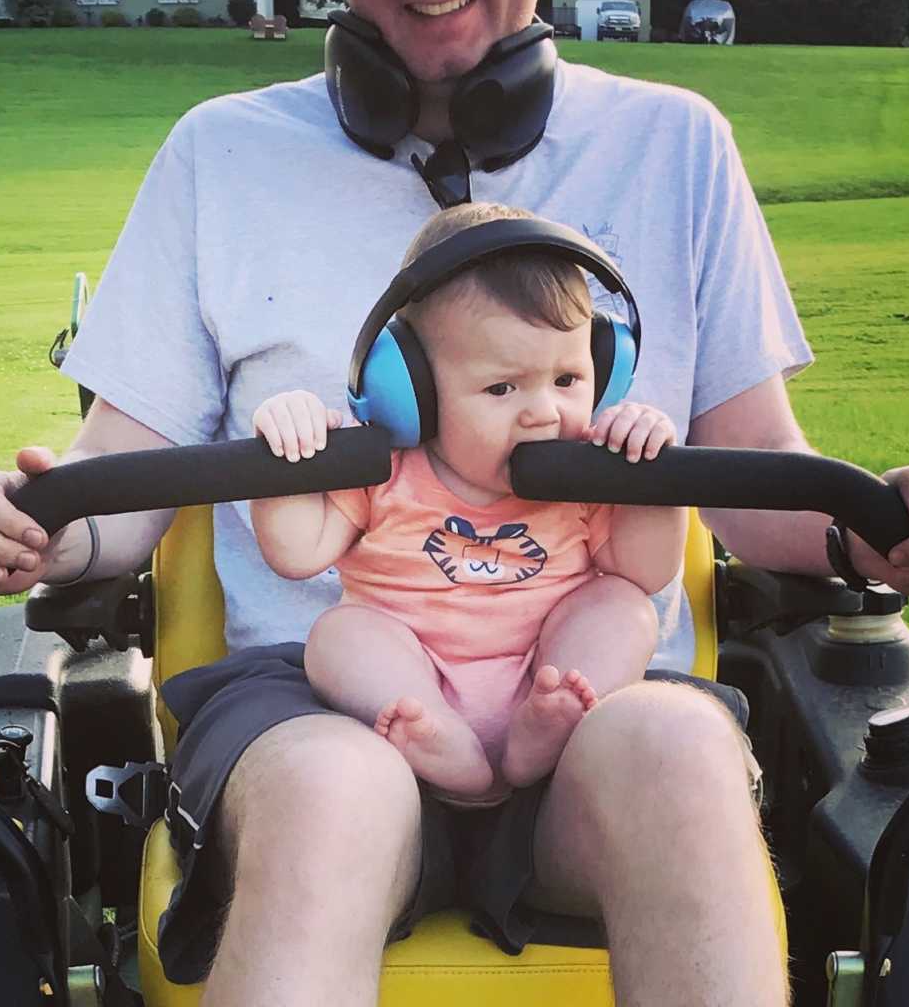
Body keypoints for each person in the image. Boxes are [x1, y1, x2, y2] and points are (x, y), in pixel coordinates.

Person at [0, 0, 909, 1002]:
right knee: (330, 801)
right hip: (319, 691)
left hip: (594, 684)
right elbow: (116, 480)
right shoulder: (219, 156)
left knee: (681, 757)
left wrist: (891, 531)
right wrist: (33, 521)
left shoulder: (674, 146)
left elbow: (754, 470)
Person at [251, 203, 682, 799]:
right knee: (339, 634)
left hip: (549, 668)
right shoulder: (385, 470)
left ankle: (560, 714)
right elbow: (296, 552)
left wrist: (651, 475)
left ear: (604, 369)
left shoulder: (586, 469)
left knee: (622, 604)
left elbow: (647, 571)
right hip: (410, 673)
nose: (544, 413)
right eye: (502, 388)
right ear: (413, 390)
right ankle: (430, 727)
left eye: (567, 380)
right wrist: (290, 451)